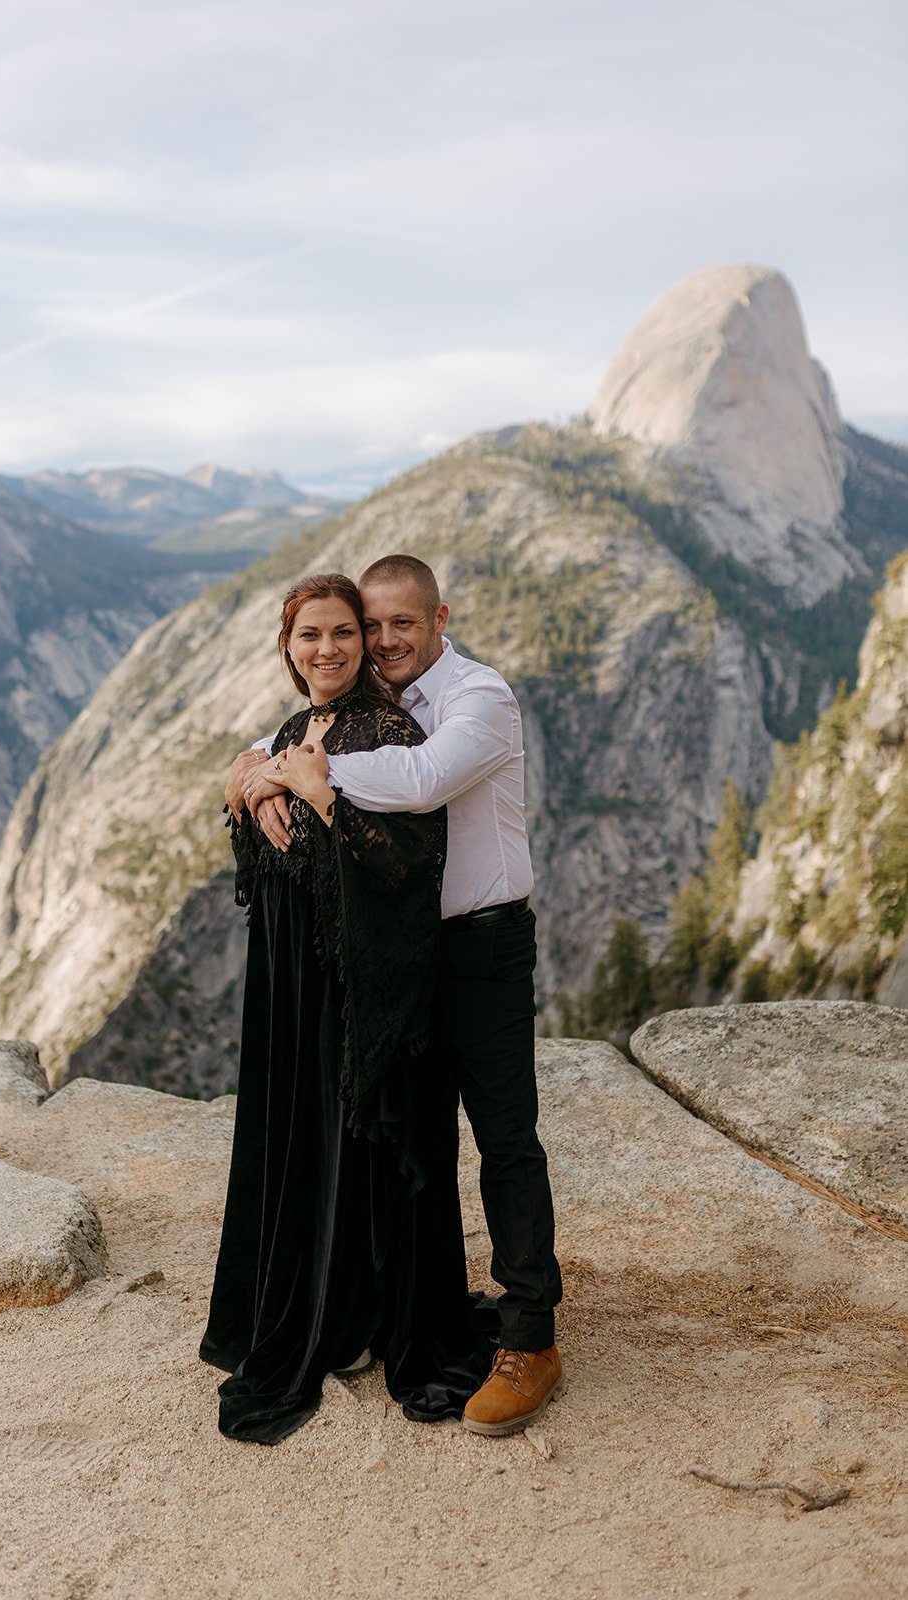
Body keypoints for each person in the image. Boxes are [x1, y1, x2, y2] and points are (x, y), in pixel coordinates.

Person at [241, 554, 564, 1437]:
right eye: (369, 625)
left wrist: (305, 777)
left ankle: (531, 1336)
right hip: (404, 956)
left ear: (438, 617)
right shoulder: (382, 703)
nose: (381, 641)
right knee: (412, 1140)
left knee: (503, 1136)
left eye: (398, 624)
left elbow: (419, 784)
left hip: (482, 947)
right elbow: (306, 731)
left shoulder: (478, 700)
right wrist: (255, 767)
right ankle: (408, 1306)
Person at [200, 571, 490, 1445]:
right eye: (307, 637)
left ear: (363, 644)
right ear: (286, 650)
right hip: (289, 973)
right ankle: (318, 1296)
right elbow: (256, 819)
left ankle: (365, 1309)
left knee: (356, 1139)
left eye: (340, 633)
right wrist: (251, 787)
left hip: (353, 978)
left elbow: (410, 857)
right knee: (303, 1132)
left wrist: (321, 802)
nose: (325, 649)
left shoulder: (386, 726)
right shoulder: (294, 730)